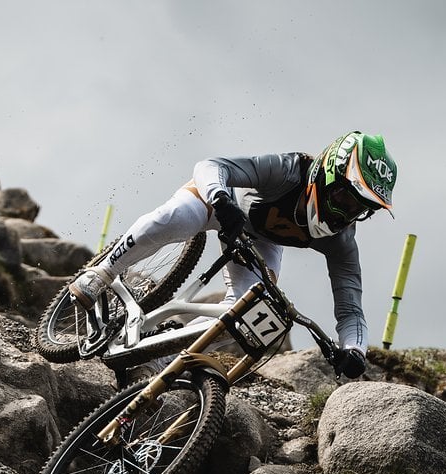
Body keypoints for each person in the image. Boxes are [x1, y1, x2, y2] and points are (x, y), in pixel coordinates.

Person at [68, 131, 398, 379]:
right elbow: (211, 166)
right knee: (177, 218)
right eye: (345, 197)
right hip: (221, 203)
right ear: (328, 173)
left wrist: (355, 350)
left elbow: (351, 309)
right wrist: (221, 200)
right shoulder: (287, 171)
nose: (347, 213)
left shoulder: (341, 241)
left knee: (246, 313)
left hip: (261, 240)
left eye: (361, 208)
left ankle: (157, 361)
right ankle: (103, 273)